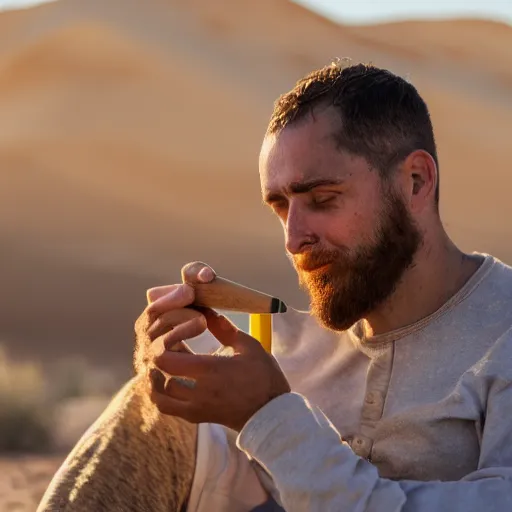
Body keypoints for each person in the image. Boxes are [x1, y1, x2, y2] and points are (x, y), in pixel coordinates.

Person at [141, 60, 512, 511]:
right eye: (280, 206)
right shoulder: (286, 342)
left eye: (322, 200)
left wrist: (270, 416)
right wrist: (164, 359)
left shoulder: (503, 335)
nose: (293, 239)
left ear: (416, 182)